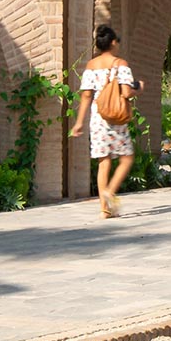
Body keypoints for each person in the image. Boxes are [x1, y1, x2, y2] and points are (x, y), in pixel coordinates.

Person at [68, 24, 144, 218]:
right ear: (112, 42)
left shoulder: (91, 66)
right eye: (116, 41)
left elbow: (86, 95)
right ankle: (110, 191)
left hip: (98, 118)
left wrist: (78, 122)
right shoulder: (121, 64)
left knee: (104, 162)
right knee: (126, 158)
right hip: (116, 118)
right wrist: (139, 88)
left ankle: (105, 209)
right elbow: (126, 92)